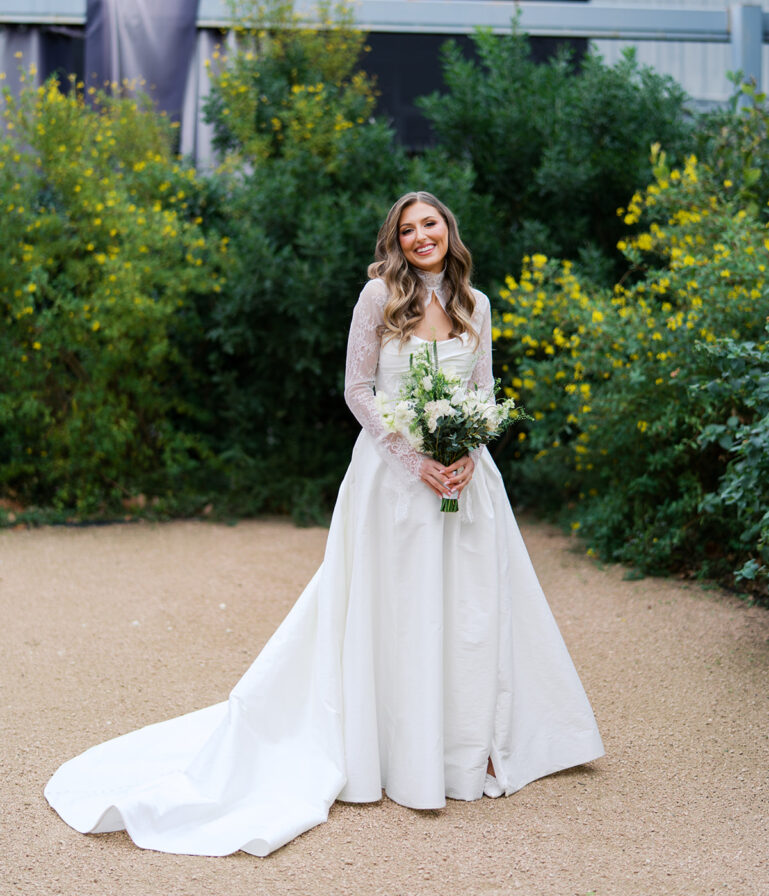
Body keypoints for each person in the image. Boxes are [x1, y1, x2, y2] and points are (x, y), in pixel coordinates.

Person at [45, 191, 604, 857]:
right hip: (390, 485)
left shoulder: (476, 304)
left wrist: (462, 453)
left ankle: (466, 746)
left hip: (464, 481)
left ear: (448, 232)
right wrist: (412, 458)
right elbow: (358, 388)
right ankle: (391, 753)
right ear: (394, 242)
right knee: (393, 611)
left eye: (430, 224)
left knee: (469, 611)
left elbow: (482, 390)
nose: (420, 236)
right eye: (407, 229)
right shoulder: (378, 297)